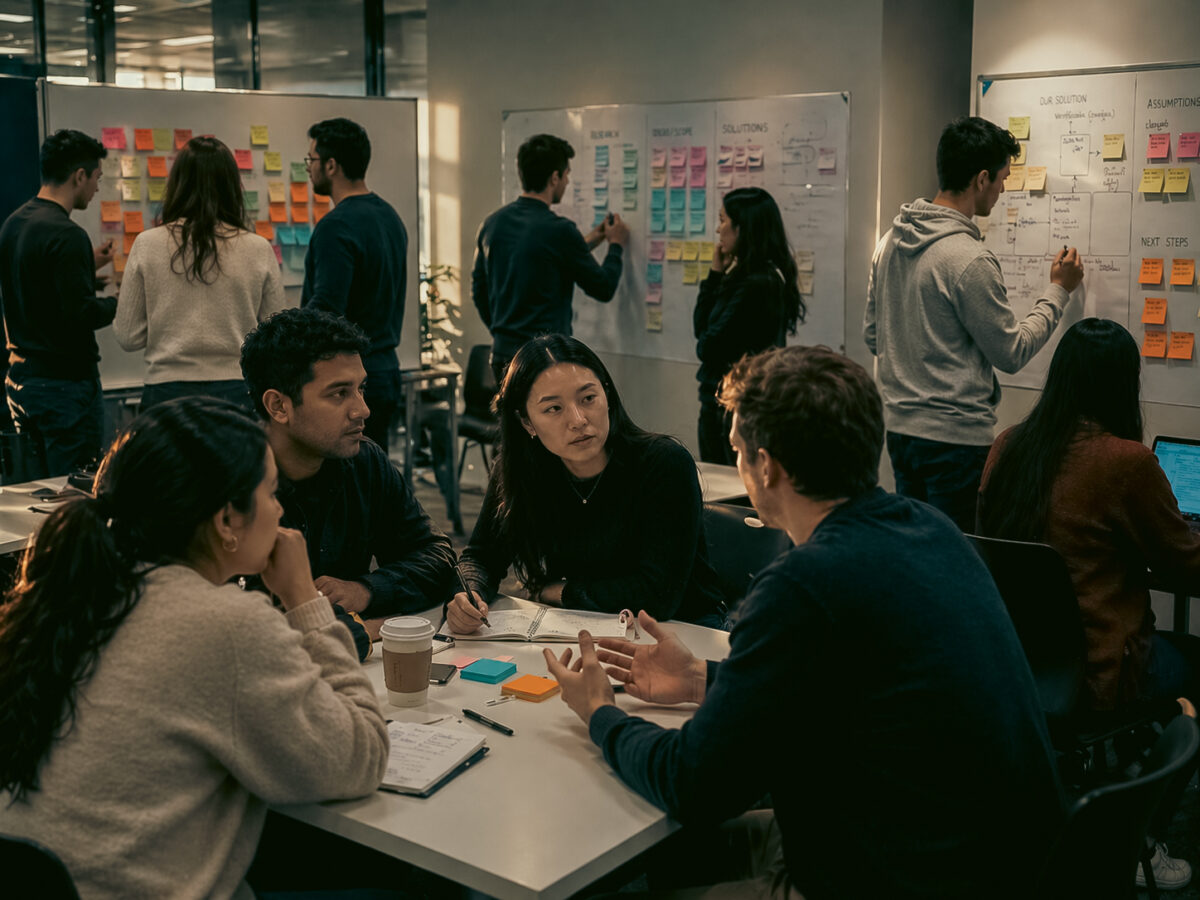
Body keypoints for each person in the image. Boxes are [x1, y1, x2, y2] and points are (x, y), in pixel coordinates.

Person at [544, 345, 1063, 899]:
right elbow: (852, 690)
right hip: (1002, 860)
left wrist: (600, 712)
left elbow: (692, 784)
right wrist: (703, 680)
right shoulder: (932, 530)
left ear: (766, 467)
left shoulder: (803, 585)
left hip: (905, 876)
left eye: (739, 449)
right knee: (679, 852)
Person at [0, 397, 388, 899]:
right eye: (271, 492)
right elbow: (360, 756)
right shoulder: (225, 624)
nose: (280, 510)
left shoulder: (78, 591)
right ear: (228, 521)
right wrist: (303, 598)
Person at [979, 318, 1200, 891]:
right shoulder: (1127, 462)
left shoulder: (1007, 447)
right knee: (1194, 663)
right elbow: (1185, 563)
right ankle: (1137, 832)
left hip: (1016, 669)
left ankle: (1118, 773)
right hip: (1103, 674)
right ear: (1121, 384)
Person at [863, 115, 1086, 530]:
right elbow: (1011, 352)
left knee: (920, 559)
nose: (1002, 190)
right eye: (1002, 179)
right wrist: (1058, 291)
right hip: (956, 444)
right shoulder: (969, 259)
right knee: (957, 565)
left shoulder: (888, 243)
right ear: (981, 179)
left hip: (900, 435)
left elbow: (874, 336)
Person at [446, 334, 725, 632]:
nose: (578, 419)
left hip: (683, 630)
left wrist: (561, 591)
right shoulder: (522, 470)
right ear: (527, 423)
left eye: (588, 398)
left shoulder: (664, 463)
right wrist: (470, 593)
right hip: (583, 625)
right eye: (554, 408)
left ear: (607, 396)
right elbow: (482, 554)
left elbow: (659, 596)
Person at [241, 307, 455, 647]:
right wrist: (363, 631)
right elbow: (246, 632)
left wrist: (366, 590)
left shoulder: (363, 460)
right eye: (339, 393)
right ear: (279, 407)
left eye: (360, 388)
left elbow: (437, 557)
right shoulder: (231, 480)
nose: (362, 410)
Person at [114, 136, 285, 412]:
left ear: (177, 184)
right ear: (233, 186)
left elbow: (127, 336)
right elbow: (276, 336)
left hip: (166, 393)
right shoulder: (257, 248)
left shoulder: (147, 244)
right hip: (237, 392)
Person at [0, 129, 116, 477]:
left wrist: (86, 268)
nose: (97, 188)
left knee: (33, 494)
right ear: (79, 176)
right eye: (96, 178)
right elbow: (79, 314)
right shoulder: (67, 235)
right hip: (65, 390)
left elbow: (34, 288)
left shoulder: (14, 224)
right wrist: (122, 302)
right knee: (71, 494)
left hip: (21, 381)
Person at [472, 133, 630, 384]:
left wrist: (502, 332)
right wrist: (616, 246)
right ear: (554, 177)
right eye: (566, 174)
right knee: (548, 424)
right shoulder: (559, 230)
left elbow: (480, 290)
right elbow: (603, 287)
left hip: (502, 356)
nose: (567, 182)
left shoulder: (492, 224)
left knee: (513, 424)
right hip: (545, 360)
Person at [302, 117, 407, 450]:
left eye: (312, 160)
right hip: (386, 370)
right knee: (372, 483)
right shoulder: (390, 217)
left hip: (348, 382)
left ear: (331, 165)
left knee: (346, 489)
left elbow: (326, 313)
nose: (309, 168)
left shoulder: (336, 227)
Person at [694, 187, 804, 464]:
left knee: (730, 495)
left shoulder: (758, 283)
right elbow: (701, 329)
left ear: (742, 228)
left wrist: (718, 279)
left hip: (735, 406)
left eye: (723, 221)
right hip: (725, 402)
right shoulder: (747, 275)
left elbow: (707, 346)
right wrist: (716, 274)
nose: (718, 230)